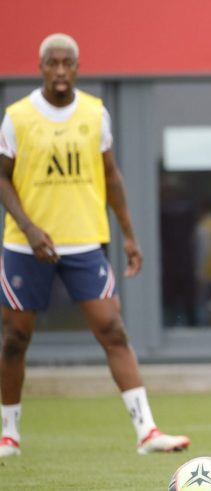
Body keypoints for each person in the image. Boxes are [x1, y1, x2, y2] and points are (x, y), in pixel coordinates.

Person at [0, 33, 190, 457]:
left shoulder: (94, 113)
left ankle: (147, 432)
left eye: (69, 63)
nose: (61, 71)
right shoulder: (17, 117)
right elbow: (2, 177)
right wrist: (29, 228)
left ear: (78, 67)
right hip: (26, 246)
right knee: (14, 338)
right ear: (41, 67)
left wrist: (129, 235)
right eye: (53, 63)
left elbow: (111, 176)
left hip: (85, 241)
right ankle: (8, 434)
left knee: (113, 329)